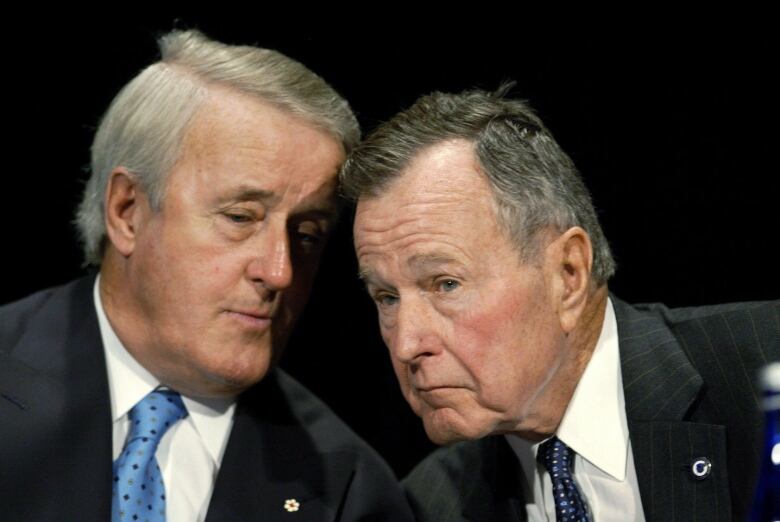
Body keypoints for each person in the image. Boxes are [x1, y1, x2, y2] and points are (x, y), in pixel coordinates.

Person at [0, 29, 412, 521]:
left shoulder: (349, 489)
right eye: (241, 217)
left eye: (306, 235)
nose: (279, 272)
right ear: (127, 211)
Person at [341, 86, 780, 522]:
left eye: (446, 284)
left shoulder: (765, 365)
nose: (406, 344)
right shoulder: (429, 507)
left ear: (567, 275)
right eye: (387, 297)